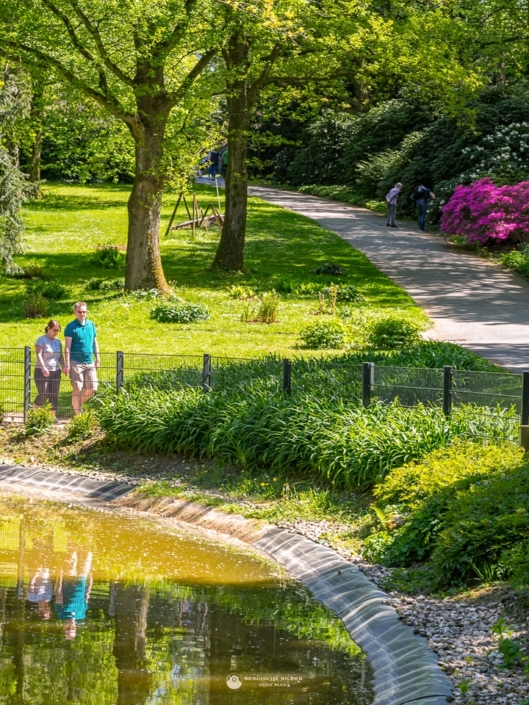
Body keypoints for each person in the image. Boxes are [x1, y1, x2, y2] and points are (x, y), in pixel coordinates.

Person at [64, 302, 100, 416]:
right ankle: (78, 415)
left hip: (89, 361)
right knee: (77, 388)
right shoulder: (71, 327)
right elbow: (67, 347)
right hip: (75, 362)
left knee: (92, 388)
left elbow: (94, 342)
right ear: (75, 312)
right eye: (79, 312)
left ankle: (76, 405)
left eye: (84, 312)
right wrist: (67, 364)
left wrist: (98, 358)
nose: (82, 314)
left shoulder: (91, 325)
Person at [55, 548, 93, 640]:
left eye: (68, 628)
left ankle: (72, 537)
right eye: (73, 628)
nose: (71, 626)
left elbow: (59, 592)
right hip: (82, 578)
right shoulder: (82, 614)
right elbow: (86, 597)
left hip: (69, 578)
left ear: (64, 627)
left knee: (72, 554)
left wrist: (60, 576)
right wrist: (90, 581)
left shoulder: (61, 613)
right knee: (88, 554)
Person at [34, 319, 64, 416]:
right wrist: (43, 367)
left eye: (57, 330)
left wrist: (64, 366)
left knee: (54, 394)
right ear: (48, 328)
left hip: (55, 371)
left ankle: (52, 416)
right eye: (54, 330)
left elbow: (60, 356)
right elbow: (38, 354)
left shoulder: (58, 341)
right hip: (41, 371)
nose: (56, 332)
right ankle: (33, 409)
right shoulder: (41, 340)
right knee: (44, 393)